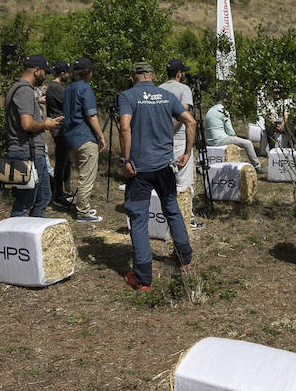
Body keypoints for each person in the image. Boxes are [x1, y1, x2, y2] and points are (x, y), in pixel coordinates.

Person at [118, 61, 196, 289]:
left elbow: (125, 127)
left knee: (139, 219)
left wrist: (125, 160)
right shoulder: (166, 96)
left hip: (139, 169)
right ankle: (184, 258)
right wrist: (187, 153)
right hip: (164, 167)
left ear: (133, 78)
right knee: (171, 209)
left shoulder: (127, 96)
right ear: (152, 77)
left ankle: (143, 278)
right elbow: (190, 121)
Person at [5, 54, 64, 218]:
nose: (45, 77)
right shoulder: (23, 90)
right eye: (44, 72)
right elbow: (27, 124)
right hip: (26, 153)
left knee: (43, 196)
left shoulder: (22, 89)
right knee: (25, 201)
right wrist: (45, 125)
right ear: (36, 70)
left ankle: (32, 236)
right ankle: (15, 236)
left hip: (33, 153)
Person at [160, 58, 203, 229]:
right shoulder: (184, 89)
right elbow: (183, 114)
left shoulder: (159, 88)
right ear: (179, 74)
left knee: (166, 178)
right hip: (177, 139)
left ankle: (165, 214)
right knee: (183, 181)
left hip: (160, 140)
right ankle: (187, 217)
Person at [62, 56, 106, 222]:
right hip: (85, 136)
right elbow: (91, 115)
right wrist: (101, 136)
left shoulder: (68, 89)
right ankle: (83, 212)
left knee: (80, 174)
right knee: (86, 177)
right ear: (88, 73)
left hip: (71, 137)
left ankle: (82, 207)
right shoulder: (85, 89)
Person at [204, 91, 261, 169]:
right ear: (224, 100)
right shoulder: (223, 111)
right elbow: (230, 132)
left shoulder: (210, 110)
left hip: (209, 141)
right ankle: (257, 166)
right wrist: (236, 138)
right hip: (220, 140)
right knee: (248, 143)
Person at [47, 61, 73, 208]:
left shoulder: (54, 87)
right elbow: (68, 104)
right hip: (60, 129)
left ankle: (63, 191)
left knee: (66, 161)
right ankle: (58, 195)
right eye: (67, 72)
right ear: (62, 73)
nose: (69, 74)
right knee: (61, 162)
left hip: (62, 129)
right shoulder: (56, 88)